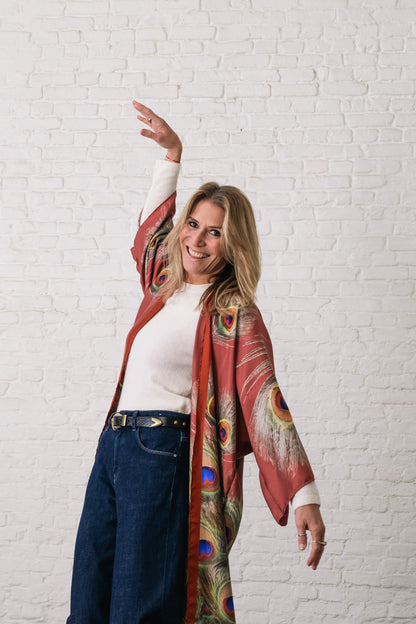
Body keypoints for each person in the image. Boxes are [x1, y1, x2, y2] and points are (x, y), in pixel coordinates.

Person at [66, 101, 326, 624]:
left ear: (232, 245)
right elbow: (147, 235)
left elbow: (265, 399)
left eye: (213, 233)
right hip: (113, 446)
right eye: (193, 224)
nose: (196, 240)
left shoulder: (232, 314)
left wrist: (304, 495)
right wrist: (172, 156)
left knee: (138, 610)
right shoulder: (163, 284)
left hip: (161, 450)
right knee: (88, 600)